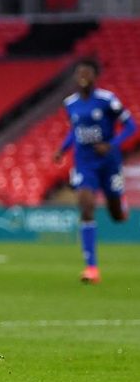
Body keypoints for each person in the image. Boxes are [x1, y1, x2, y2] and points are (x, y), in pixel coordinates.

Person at [53, 59, 137, 283]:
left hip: (108, 161)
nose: (83, 77)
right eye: (79, 73)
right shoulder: (70, 103)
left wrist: (113, 144)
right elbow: (75, 130)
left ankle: (120, 201)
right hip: (84, 162)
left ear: (94, 76)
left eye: (87, 73)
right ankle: (91, 268)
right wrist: (62, 149)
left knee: (117, 216)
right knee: (86, 205)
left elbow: (131, 126)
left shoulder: (107, 100)